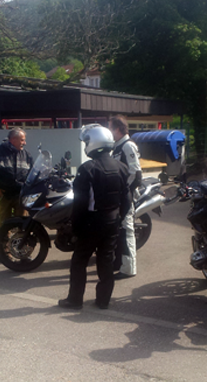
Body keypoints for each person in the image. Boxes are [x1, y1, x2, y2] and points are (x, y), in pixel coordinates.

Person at [58, 125, 131, 310]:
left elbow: (80, 204)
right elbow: (127, 199)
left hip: (91, 223)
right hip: (112, 221)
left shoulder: (87, 168)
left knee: (79, 261)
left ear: (94, 143)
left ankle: (74, 300)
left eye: (86, 142)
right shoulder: (121, 167)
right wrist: (119, 218)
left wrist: (75, 228)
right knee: (106, 261)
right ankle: (103, 301)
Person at [108, 115, 142, 279]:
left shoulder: (128, 146)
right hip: (118, 196)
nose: (109, 132)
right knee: (119, 230)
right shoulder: (117, 147)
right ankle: (119, 262)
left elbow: (136, 175)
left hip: (125, 197)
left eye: (110, 128)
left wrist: (125, 194)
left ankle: (129, 269)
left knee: (127, 231)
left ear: (117, 129)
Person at [0, 128, 33, 229]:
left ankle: (20, 239)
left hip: (21, 195)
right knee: (4, 225)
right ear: (13, 139)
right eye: (22, 140)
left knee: (23, 224)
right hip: (4, 195)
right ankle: (4, 239)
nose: (25, 143)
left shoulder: (27, 155)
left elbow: (32, 173)